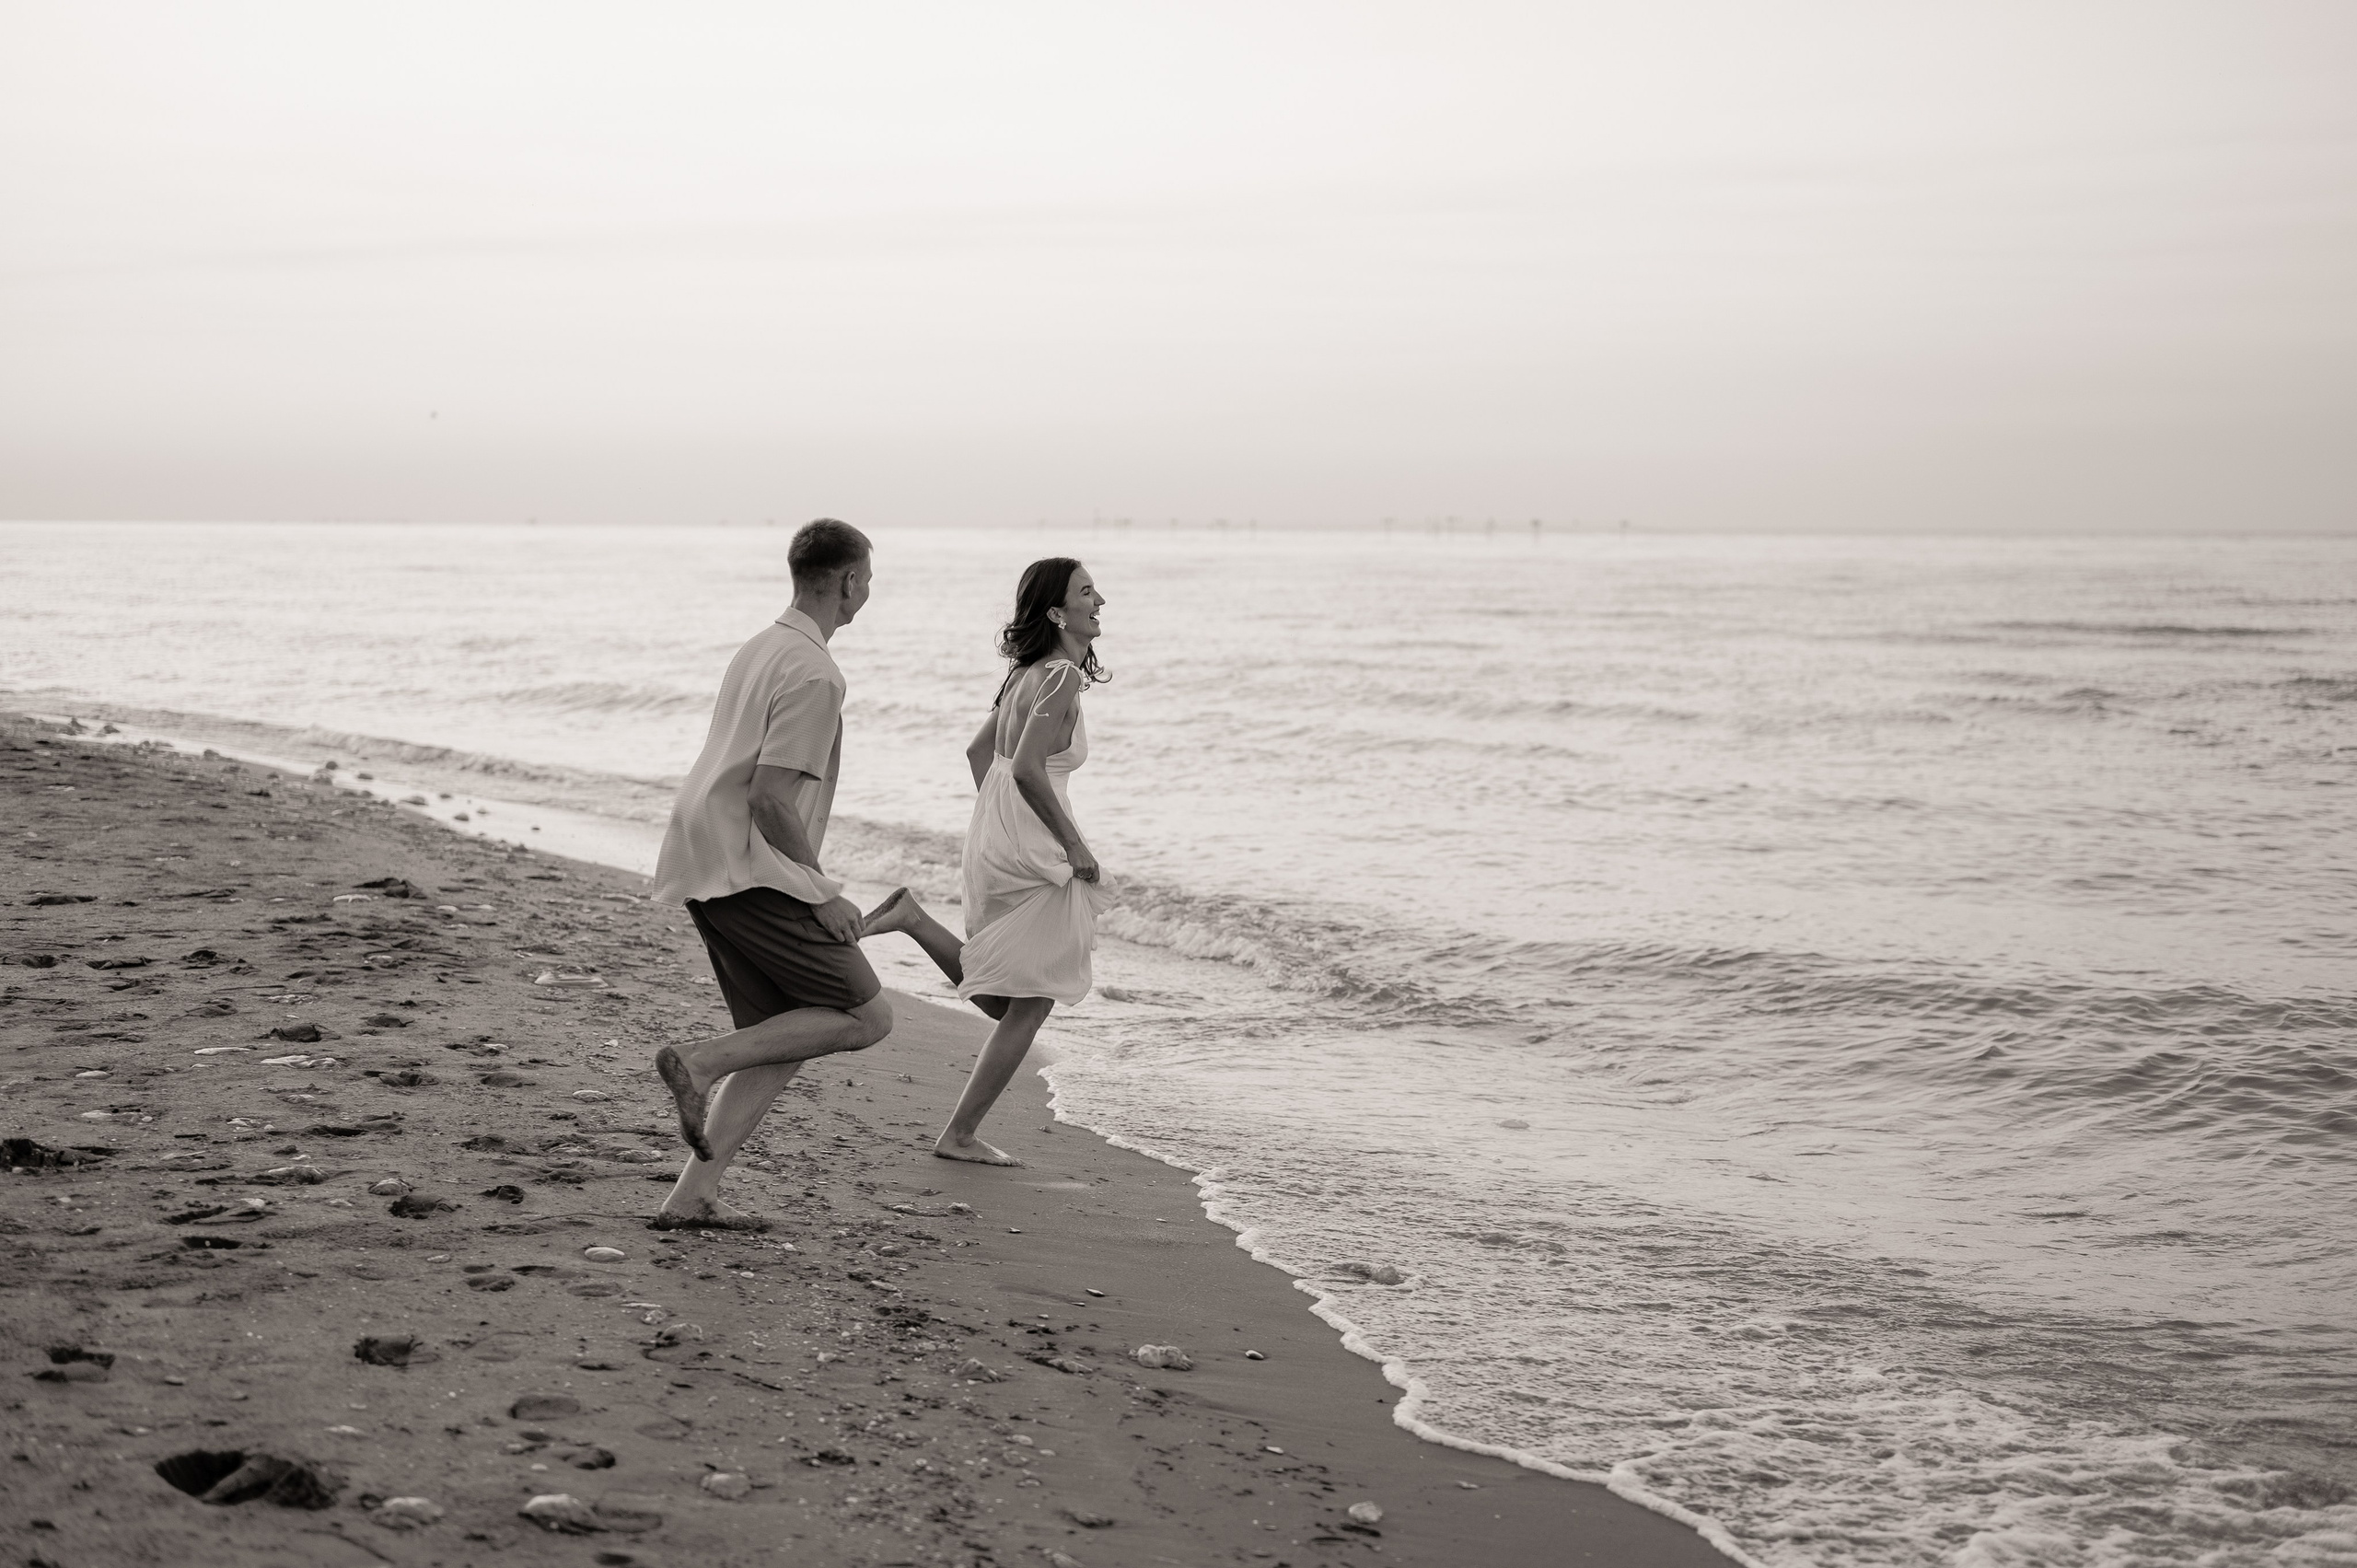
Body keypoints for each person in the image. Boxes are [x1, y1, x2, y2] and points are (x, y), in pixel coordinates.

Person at [644, 518, 893, 1230]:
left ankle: (691, 1196)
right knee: (868, 1015)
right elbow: (770, 796)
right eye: (868, 578)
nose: (868, 591)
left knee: (781, 1035)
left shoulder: (762, 645)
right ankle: (698, 1061)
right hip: (745, 866)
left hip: (703, 850)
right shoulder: (817, 671)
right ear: (847, 581)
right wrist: (824, 893)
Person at [864, 556, 1110, 1167]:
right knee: (1029, 1000)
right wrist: (1071, 844)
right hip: (1035, 847)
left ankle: (913, 918)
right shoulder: (1059, 678)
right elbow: (1026, 767)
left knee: (1014, 996)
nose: (1100, 600)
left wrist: (1000, 822)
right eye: (1086, 591)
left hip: (1000, 837)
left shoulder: (1026, 674)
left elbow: (981, 753)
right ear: (1058, 611)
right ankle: (960, 1135)